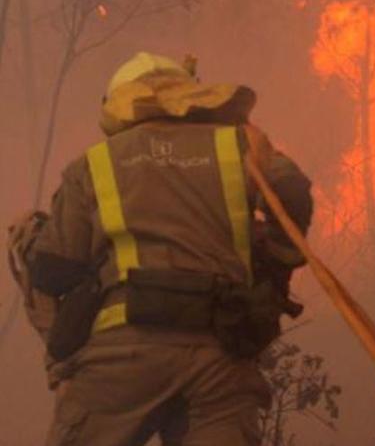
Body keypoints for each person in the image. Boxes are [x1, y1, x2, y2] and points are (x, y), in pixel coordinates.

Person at [26, 52, 313, 446]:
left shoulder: (92, 164)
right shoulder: (239, 144)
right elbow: (292, 195)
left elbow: (53, 268)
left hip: (123, 359)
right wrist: (270, 268)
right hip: (220, 354)